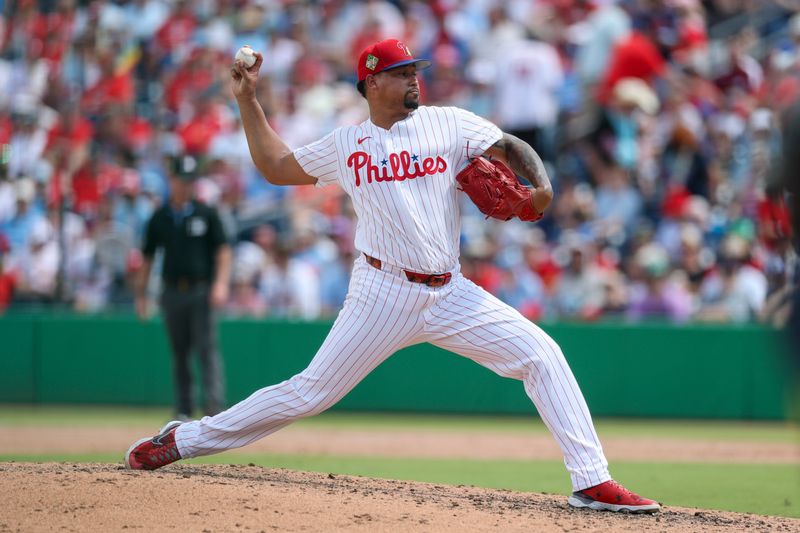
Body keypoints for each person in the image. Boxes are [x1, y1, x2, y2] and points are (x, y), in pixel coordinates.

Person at [125, 39, 660, 514]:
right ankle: (185, 439)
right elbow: (277, 166)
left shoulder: (448, 122)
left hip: (449, 292)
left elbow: (509, 146)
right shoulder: (347, 145)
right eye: (403, 72)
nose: (414, 79)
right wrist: (247, 100)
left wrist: (538, 185)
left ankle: (591, 481)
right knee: (308, 394)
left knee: (543, 355)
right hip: (380, 292)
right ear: (373, 81)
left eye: (415, 71)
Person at [134, 154, 232, 420]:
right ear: (172, 180)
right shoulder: (160, 217)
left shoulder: (206, 213)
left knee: (206, 349)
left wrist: (221, 284)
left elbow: (223, 251)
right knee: (179, 352)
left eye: (190, 181)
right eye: (181, 180)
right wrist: (141, 296)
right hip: (172, 290)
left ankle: (214, 408)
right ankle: (183, 410)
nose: (185, 185)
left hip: (201, 290)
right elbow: (147, 257)